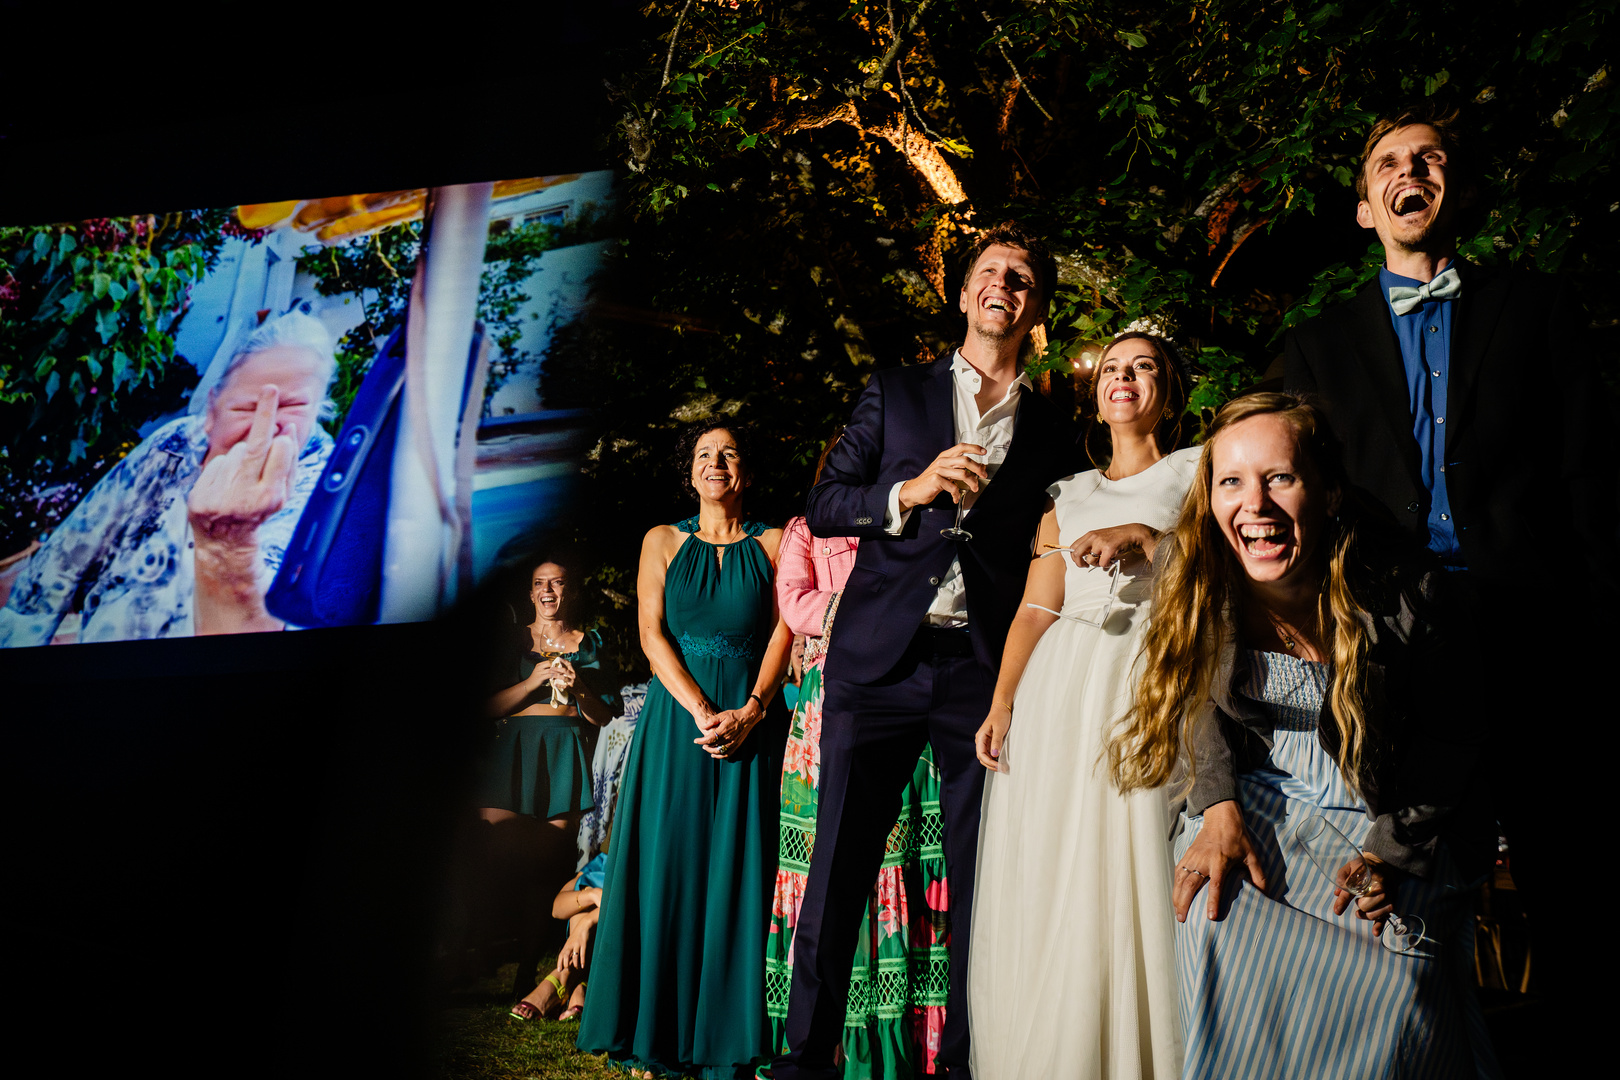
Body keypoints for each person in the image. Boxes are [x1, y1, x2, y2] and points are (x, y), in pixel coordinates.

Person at [1282, 100, 1612, 1015]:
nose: (1410, 174)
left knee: (1570, 875)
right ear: (1365, 208)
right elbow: (1276, 481)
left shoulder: (1538, 309)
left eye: (1429, 160)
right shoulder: (1319, 344)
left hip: (1533, 625)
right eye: (1389, 163)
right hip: (1395, 641)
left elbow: (1591, 473)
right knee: (1408, 885)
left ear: (1454, 190)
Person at [1110, 393, 1498, 1079]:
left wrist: (1393, 851)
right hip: (1254, 795)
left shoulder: (1407, 589)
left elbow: (1453, 734)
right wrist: (1217, 808)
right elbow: (1195, 700)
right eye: (1231, 481)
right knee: (1212, 915)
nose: (1253, 504)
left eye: (1279, 478)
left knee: (1402, 994)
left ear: (1328, 491)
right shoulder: (1194, 565)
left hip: (1386, 801)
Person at [773, 222, 1081, 1080]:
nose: (1004, 288)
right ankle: (805, 1063)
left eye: (1022, 279)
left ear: (1035, 307)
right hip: (876, 663)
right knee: (837, 868)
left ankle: (970, 1064)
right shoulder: (896, 391)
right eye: (991, 273)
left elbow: (1053, 551)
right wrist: (906, 492)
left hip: (979, 678)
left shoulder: (1057, 430)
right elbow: (824, 503)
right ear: (964, 293)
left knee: (987, 880)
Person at [967, 333, 1197, 1080]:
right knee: (1056, 864)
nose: (1122, 378)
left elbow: (1221, 567)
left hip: (1144, 682)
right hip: (1061, 693)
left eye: (1143, 367)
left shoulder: (1197, 472)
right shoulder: (1065, 495)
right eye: (1111, 369)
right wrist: (1003, 703)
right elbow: (1036, 610)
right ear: (1095, 394)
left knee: (1132, 859)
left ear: (1171, 388)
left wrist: (1148, 538)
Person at [577, 418, 793, 1080]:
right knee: (671, 868)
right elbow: (650, 633)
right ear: (689, 471)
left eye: (729, 453)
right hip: (679, 728)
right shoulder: (661, 541)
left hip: (754, 723)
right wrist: (705, 711)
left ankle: (740, 1039)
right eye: (704, 454)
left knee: (745, 870)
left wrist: (752, 710)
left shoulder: (779, 541)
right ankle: (660, 1033)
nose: (716, 463)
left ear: (746, 472)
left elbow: (788, 629)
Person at [767, 437, 949, 1076]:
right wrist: (873, 610)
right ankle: (824, 1040)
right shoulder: (803, 530)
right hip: (827, 698)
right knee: (832, 855)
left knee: (902, 852)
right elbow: (795, 603)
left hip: (907, 688)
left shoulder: (914, 519)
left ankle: (909, 1035)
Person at [0, 312, 337, 644]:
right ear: (212, 409)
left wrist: (232, 546)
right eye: (247, 408)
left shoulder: (329, 495)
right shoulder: (175, 445)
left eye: (294, 406)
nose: (267, 424)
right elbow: (63, 560)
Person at [477, 553, 621, 999]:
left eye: (558, 583)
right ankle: (485, 954)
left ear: (570, 591)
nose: (548, 591)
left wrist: (579, 688)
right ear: (530, 591)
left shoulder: (590, 643)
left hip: (565, 752)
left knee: (546, 867)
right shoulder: (512, 641)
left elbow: (602, 717)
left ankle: (533, 967)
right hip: (514, 753)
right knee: (493, 853)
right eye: (540, 583)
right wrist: (532, 681)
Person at [509, 852, 607, 1022]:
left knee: (598, 908)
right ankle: (578, 987)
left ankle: (563, 978)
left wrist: (586, 924)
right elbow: (557, 909)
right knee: (584, 895)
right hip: (594, 950)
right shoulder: (603, 861)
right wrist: (592, 894)